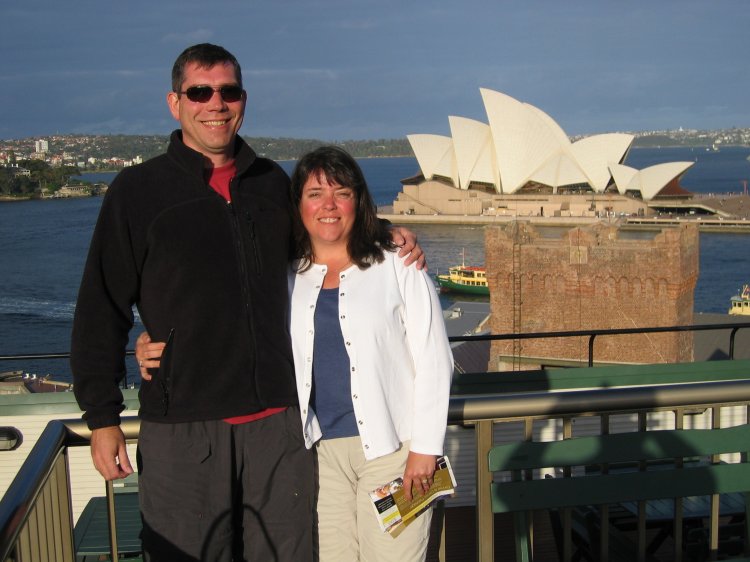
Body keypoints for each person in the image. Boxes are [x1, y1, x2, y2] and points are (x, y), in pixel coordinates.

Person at [71, 43, 423, 562]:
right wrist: (103, 418)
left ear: (243, 100)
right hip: (185, 428)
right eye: (200, 92)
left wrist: (384, 232)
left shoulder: (271, 183)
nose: (216, 103)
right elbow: (101, 309)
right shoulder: (138, 191)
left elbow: (325, 233)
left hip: (279, 429)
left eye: (228, 91)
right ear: (175, 103)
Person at [139, 146, 452, 562]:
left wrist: (425, 449)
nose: (329, 205)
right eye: (315, 194)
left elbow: (434, 358)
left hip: (395, 453)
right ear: (298, 205)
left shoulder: (397, 263)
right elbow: (227, 316)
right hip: (319, 457)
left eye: (342, 193)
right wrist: (155, 340)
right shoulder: (284, 273)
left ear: (358, 201)